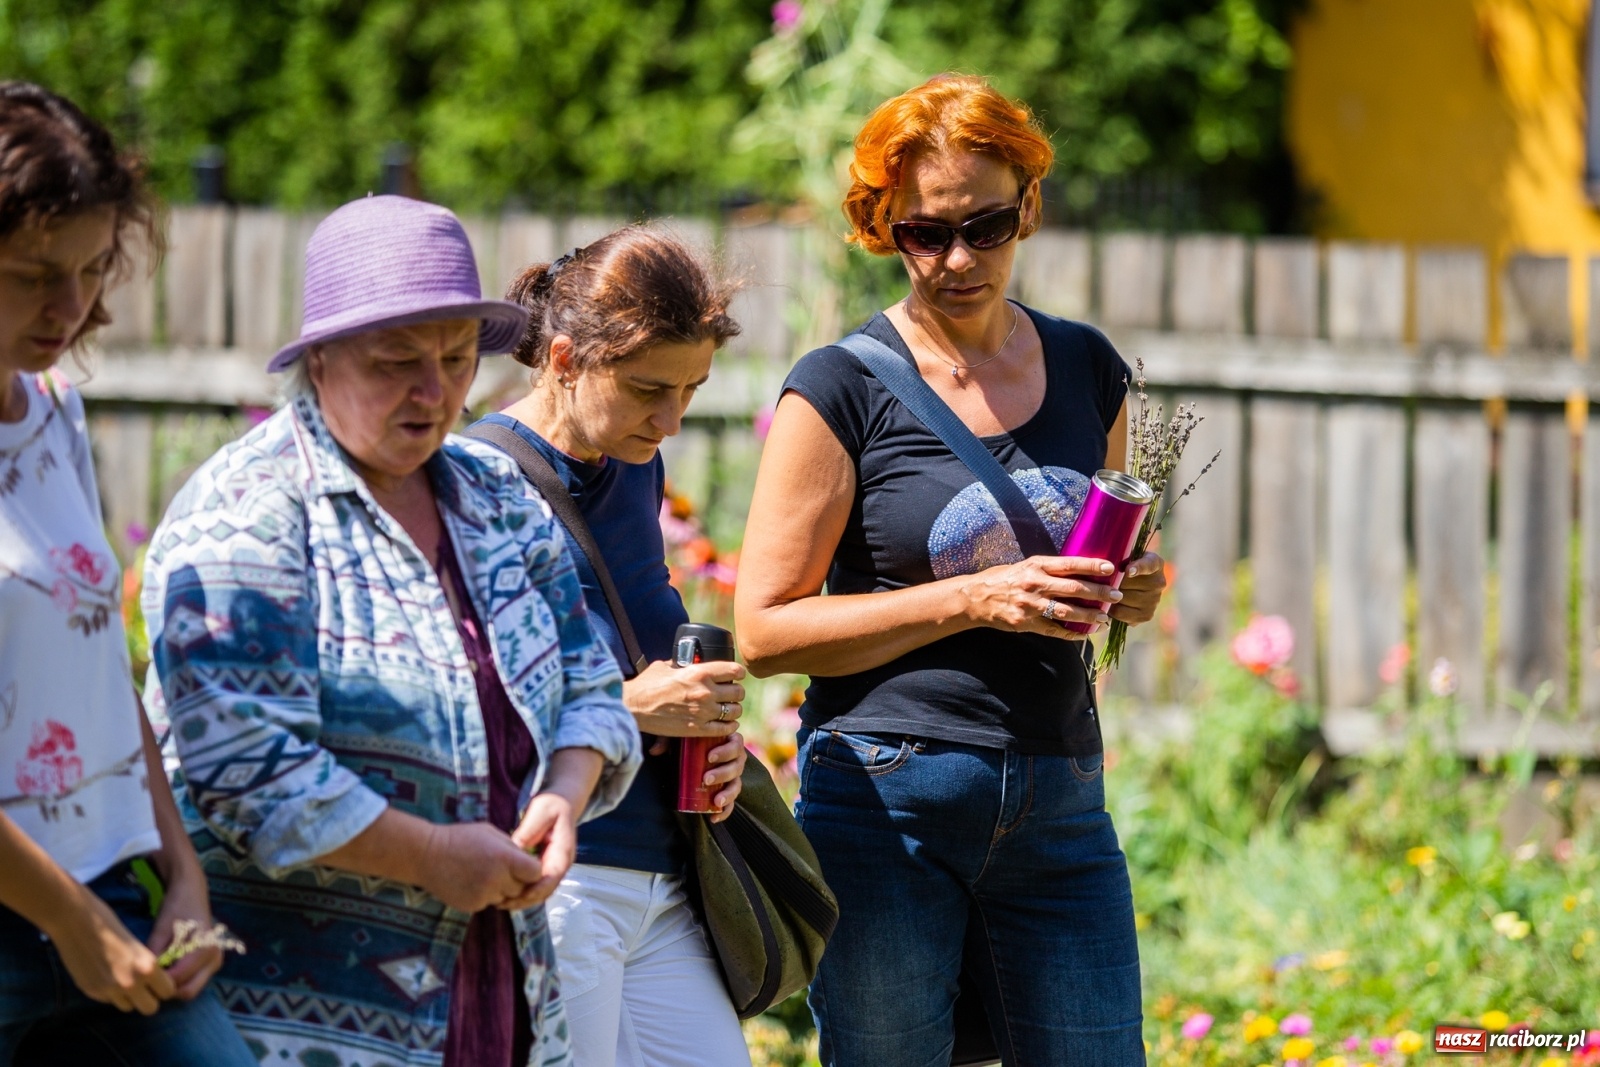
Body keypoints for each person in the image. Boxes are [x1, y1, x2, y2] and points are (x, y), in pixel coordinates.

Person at [140, 194, 642, 1067]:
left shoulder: (495, 496)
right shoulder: (247, 510)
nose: (434, 390)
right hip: (311, 1008)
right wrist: (436, 856)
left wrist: (564, 794)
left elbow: (589, 682)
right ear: (321, 359)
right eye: (396, 361)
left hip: (499, 980)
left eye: (454, 360)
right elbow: (243, 766)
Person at [734, 74, 1169, 1067]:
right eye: (925, 232)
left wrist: (1128, 591)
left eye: (986, 224)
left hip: (1059, 789)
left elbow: (1100, 574)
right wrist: (976, 595)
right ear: (882, 226)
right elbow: (761, 632)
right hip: (889, 799)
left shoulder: (1089, 365)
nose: (958, 258)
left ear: (1029, 207)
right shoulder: (839, 386)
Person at [0, 82, 256, 1066]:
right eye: (32, 274)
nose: (72, 306)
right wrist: (69, 922)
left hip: (108, 904)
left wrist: (182, 876)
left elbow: (101, 672)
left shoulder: (56, 416)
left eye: (92, 267)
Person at [471, 226, 753, 1067]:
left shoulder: (635, 467)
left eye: (691, 390)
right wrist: (633, 707)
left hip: (668, 868)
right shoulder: (474, 477)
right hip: (561, 872)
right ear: (563, 359)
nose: (670, 420)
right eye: (647, 390)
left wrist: (714, 736)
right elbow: (467, 707)